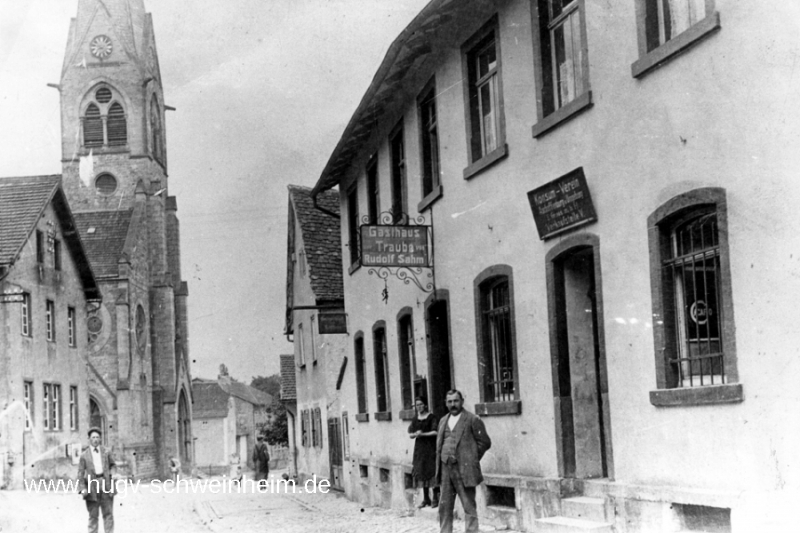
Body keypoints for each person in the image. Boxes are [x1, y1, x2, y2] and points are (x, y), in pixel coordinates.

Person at [436, 389, 491, 533]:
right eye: (449, 401)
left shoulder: (472, 419)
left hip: (464, 470)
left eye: (455, 401)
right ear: (446, 403)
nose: (453, 404)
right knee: (445, 506)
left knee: (469, 506)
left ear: (462, 401)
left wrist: (471, 458)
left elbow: (484, 442)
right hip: (445, 469)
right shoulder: (443, 420)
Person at [77, 427, 117, 533]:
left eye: (97, 437)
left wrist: (113, 476)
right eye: (93, 437)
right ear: (89, 439)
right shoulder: (84, 456)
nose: (95, 439)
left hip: (106, 485)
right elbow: (80, 474)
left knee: (108, 515)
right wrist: (82, 489)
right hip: (92, 487)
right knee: (93, 516)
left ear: (100, 439)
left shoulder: (106, 452)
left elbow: (113, 465)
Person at [408, 396, 439, 508]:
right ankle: (426, 498)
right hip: (419, 449)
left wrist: (423, 434)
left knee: (431, 470)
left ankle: (435, 497)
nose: (419, 407)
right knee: (422, 470)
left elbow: (436, 432)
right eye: (417, 405)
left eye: (421, 404)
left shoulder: (431, 417)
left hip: (430, 447)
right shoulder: (415, 419)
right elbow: (410, 434)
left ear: (425, 405)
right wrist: (415, 434)